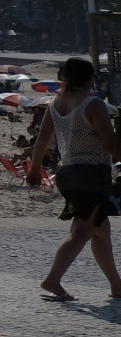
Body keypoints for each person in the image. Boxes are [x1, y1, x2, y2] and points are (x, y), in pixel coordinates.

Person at [26, 56, 121, 301]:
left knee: (100, 231)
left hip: (67, 173)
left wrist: (35, 168)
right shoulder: (93, 104)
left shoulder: (54, 104)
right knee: (81, 231)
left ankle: (117, 286)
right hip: (92, 173)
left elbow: (43, 140)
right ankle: (52, 280)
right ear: (90, 78)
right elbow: (110, 144)